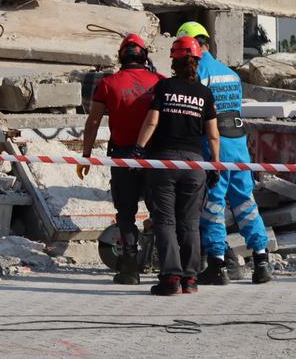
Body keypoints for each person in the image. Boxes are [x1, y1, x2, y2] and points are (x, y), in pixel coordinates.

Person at [176, 21, 272, 284]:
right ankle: (262, 260)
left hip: (213, 147)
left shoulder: (198, 73)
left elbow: (195, 114)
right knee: (245, 203)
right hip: (239, 146)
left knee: (214, 205)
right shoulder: (231, 74)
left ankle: (217, 265)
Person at [135, 36, 220, 296]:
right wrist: (214, 165)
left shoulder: (164, 87)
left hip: (165, 163)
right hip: (195, 165)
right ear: (196, 60)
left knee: (166, 221)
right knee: (191, 222)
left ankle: (171, 278)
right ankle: (190, 279)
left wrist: (137, 151)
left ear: (174, 60)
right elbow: (213, 135)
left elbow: (151, 122)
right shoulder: (205, 94)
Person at [77, 34, 164, 284]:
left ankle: (129, 267)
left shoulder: (108, 84)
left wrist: (85, 155)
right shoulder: (160, 82)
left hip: (122, 158)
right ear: (145, 56)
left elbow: (93, 121)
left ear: (120, 57)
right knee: (160, 211)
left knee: (125, 213)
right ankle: (164, 264)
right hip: (154, 158)